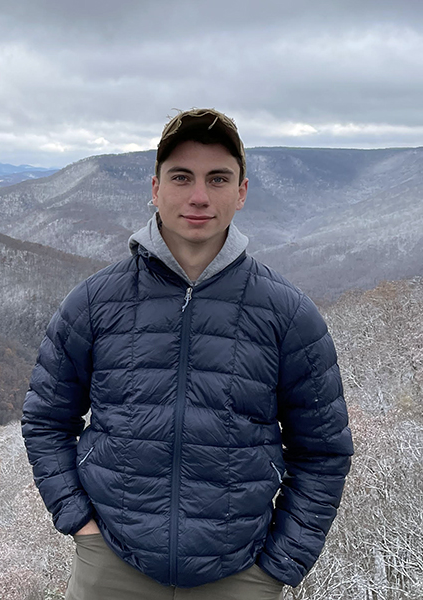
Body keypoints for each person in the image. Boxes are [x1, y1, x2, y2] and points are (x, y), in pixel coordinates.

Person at [20, 108, 353, 599]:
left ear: (241, 192)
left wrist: (277, 569)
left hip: (239, 575)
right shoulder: (93, 303)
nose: (199, 196)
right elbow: (46, 420)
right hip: (111, 566)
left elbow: (323, 453)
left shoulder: (289, 316)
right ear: (155, 188)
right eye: (182, 177)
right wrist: (80, 526)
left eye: (218, 179)